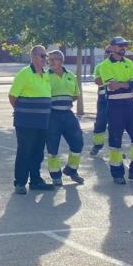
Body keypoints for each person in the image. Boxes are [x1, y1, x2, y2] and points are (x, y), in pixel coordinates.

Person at [98, 37, 133, 184]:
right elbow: (112, 86)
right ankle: (117, 174)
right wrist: (126, 83)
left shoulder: (129, 63)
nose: (123, 48)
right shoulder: (104, 65)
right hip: (115, 106)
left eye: (124, 45)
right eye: (120, 45)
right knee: (115, 140)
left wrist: (122, 84)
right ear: (112, 47)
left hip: (130, 104)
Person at [9, 45, 54, 193]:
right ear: (34, 57)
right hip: (26, 122)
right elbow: (12, 96)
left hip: (42, 121)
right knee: (25, 151)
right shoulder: (24, 73)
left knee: (38, 152)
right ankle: (20, 183)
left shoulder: (46, 74)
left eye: (45, 56)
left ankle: (35, 180)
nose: (45, 59)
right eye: (42, 56)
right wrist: (24, 112)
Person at [45, 50, 85, 185]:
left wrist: (64, 102)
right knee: (52, 147)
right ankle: (56, 176)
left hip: (68, 114)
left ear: (61, 61)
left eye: (53, 59)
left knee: (78, 143)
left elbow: (75, 94)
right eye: (48, 59)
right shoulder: (45, 76)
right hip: (52, 116)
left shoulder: (70, 76)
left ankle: (71, 170)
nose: (50, 62)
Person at [91, 46, 112, 155]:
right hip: (103, 99)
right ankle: (97, 145)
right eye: (107, 52)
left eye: (111, 52)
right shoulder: (100, 66)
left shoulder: (119, 66)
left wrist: (109, 80)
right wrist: (112, 80)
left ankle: (116, 148)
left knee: (115, 124)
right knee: (100, 122)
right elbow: (98, 81)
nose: (108, 54)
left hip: (116, 99)